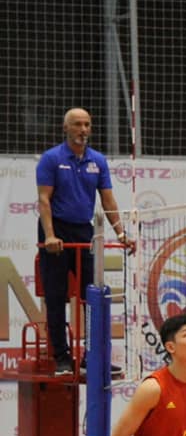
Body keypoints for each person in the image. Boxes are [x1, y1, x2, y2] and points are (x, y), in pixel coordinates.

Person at [36, 107, 135, 373]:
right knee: (56, 296)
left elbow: (108, 200)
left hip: (84, 230)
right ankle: (62, 357)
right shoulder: (51, 158)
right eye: (77, 124)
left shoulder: (97, 160)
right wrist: (50, 236)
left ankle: (93, 357)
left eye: (87, 125)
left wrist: (121, 233)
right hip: (56, 230)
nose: (83, 130)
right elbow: (44, 200)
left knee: (94, 295)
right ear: (65, 128)